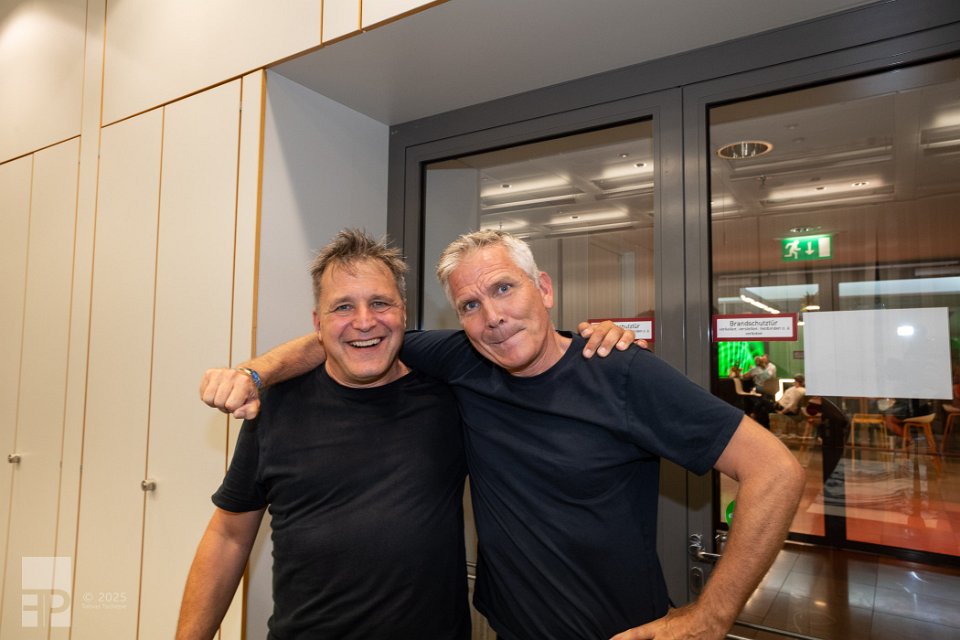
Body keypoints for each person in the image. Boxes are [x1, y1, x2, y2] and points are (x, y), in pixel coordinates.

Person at [200, 230, 804, 640]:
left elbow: (775, 471)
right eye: (469, 305)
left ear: (544, 288)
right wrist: (255, 373)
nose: (491, 317)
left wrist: (711, 615)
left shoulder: (618, 370)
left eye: (504, 288)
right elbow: (353, 338)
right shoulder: (461, 363)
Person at [176, 230, 472, 639]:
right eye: (343, 306)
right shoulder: (275, 406)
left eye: (380, 303)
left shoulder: (449, 397)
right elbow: (228, 536)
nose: (364, 321)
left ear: (403, 313)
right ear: (318, 322)